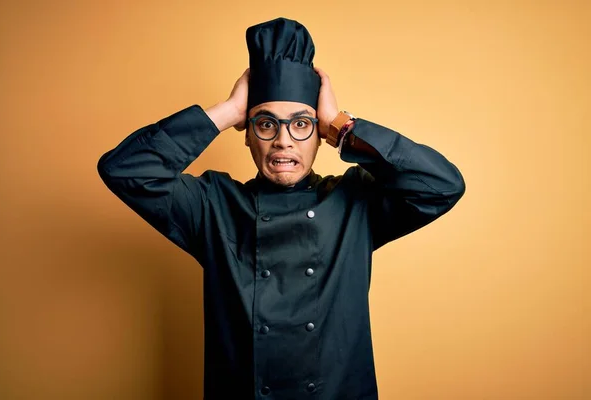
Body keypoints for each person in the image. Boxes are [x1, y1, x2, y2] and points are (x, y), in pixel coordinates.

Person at [98, 17, 465, 400]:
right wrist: (225, 111)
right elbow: (124, 170)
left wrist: (341, 125)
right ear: (247, 133)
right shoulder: (213, 205)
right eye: (267, 124)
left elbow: (441, 185)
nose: (284, 141)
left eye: (302, 124)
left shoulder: (356, 202)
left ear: (321, 136)